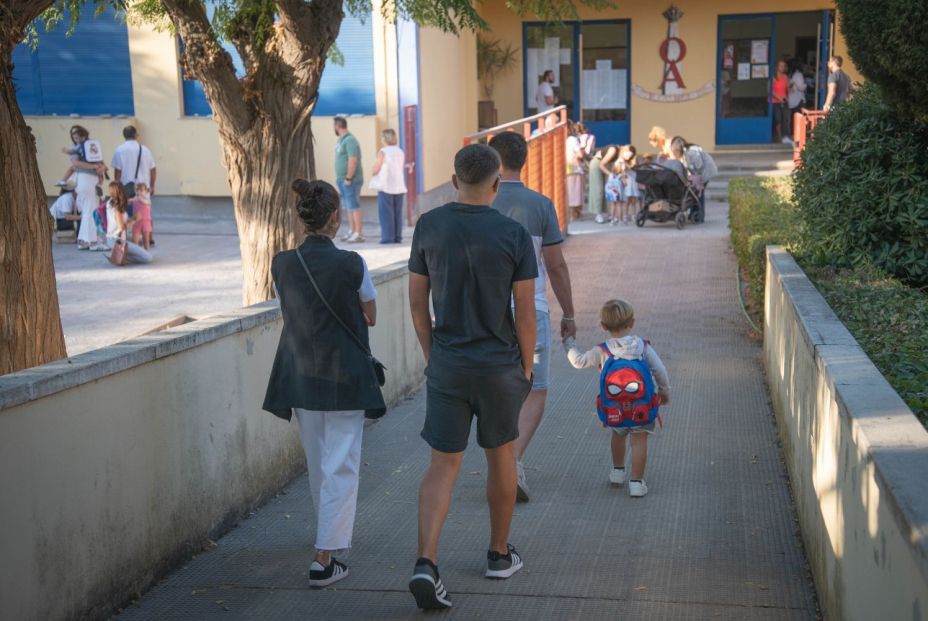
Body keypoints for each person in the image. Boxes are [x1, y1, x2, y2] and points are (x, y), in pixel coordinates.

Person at [407, 144, 537, 610]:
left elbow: (417, 304)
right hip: (500, 366)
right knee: (501, 456)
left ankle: (426, 562)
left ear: (454, 178)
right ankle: (499, 555)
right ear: (497, 183)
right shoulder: (514, 234)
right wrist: (525, 365)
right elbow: (525, 311)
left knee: (443, 464)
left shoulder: (429, 226)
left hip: (449, 363)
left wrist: (432, 354)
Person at [263, 178, 385, 588]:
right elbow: (370, 315)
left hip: (299, 375)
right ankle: (324, 558)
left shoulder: (281, 263)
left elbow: (293, 310)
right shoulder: (352, 263)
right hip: (345, 377)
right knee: (342, 463)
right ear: (335, 217)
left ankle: (324, 540)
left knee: (319, 463)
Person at [488, 131, 576, 502]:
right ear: (524, 160)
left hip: (486, 314)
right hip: (531, 310)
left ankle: (502, 464)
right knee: (535, 389)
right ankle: (514, 462)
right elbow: (554, 265)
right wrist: (569, 313)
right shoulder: (540, 205)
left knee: (494, 391)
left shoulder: (477, 203)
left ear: (491, 159)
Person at [564, 299, 670, 498]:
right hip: (642, 408)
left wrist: (568, 342)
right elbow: (660, 370)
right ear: (632, 322)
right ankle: (637, 483)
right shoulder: (643, 347)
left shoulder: (603, 351)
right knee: (639, 441)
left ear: (603, 326)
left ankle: (618, 472)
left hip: (615, 409)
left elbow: (578, 361)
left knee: (618, 434)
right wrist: (664, 391)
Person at [65, 126, 106, 250]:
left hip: (89, 181)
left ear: (84, 136)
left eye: (78, 137)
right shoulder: (75, 150)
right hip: (85, 179)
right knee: (91, 211)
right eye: (74, 137)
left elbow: (103, 164)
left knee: (88, 211)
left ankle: (84, 241)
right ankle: (93, 242)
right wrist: (95, 167)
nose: (77, 139)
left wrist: (101, 169)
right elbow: (76, 164)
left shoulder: (91, 147)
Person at [371, 128, 407, 244]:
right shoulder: (400, 151)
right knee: (397, 213)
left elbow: (376, 168)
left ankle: (387, 238)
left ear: (385, 138)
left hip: (386, 186)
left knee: (386, 213)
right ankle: (397, 237)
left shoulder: (383, 151)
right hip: (399, 186)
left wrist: (373, 171)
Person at [670, 136, 717, 223]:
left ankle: (699, 216)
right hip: (700, 173)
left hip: (706, 171)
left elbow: (699, 166)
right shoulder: (686, 152)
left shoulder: (691, 151)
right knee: (694, 193)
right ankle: (693, 214)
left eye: (675, 152)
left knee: (699, 193)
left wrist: (693, 175)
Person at [104, 181, 153, 265]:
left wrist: (132, 218)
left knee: (139, 240)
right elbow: (121, 227)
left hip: (111, 239)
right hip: (117, 240)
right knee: (148, 258)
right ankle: (121, 254)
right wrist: (135, 220)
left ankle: (121, 253)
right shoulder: (117, 208)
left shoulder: (110, 202)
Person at [334, 116, 365, 243]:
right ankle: (352, 231)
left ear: (337, 126)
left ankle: (358, 233)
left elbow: (353, 160)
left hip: (351, 180)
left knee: (353, 206)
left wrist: (348, 177)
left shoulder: (350, 140)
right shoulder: (341, 140)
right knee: (348, 207)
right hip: (342, 179)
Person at [111, 125, 157, 196]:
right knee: (143, 207)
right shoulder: (145, 150)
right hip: (143, 189)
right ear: (136, 135)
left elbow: (118, 172)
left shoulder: (119, 150)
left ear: (124, 136)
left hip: (126, 189)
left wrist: (117, 188)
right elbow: (153, 170)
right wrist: (152, 186)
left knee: (127, 207)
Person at [589, 144, 620, 223]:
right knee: (598, 189)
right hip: (597, 163)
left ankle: (610, 214)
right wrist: (611, 175)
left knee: (609, 189)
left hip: (606, 165)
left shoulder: (620, 155)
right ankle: (598, 214)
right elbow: (601, 165)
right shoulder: (613, 150)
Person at [565, 122, 585, 221]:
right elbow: (580, 154)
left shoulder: (561, 140)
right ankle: (575, 213)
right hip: (574, 167)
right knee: (576, 191)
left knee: (570, 191)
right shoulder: (572, 140)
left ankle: (572, 213)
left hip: (567, 168)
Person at [618, 145, 640, 225]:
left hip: (633, 182)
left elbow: (633, 167)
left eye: (629, 151)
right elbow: (622, 171)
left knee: (633, 200)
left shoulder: (634, 160)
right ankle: (625, 216)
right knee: (626, 201)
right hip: (627, 183)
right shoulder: (622, 161)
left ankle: (634, 216)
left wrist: (629, 163)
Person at [772, 60, 791, 144]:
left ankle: (785, 137)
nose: (782, 67)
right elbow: (770, 91)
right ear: (777, 67)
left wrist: (790, 88)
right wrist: (778, 98)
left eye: (783, 66)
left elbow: (787, 88)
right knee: (778, 119)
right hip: (775, 101)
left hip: (784, 101)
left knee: (785, 119)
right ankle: (778, 136)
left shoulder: (785, 77)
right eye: (780, 66)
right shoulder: (772, 77)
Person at [129, 183, 154, 249]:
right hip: (136, 222)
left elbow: (145, 202)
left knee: (146, 240)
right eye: (138, 190)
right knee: (135, 241)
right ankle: (135, 253)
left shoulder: (147, 200)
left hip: (146, 222)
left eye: (142, 190)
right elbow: (129, 201)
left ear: (146, 192)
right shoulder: (135, 199)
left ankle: (146, 251)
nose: (139, 192)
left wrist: (138, 198)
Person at [787, 59, 807, 131]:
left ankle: (793, 133)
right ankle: (797, 135)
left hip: (791, 100)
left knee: (792, 118)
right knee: (798, 119)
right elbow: (801, 87)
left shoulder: (789, 75)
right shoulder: (798, 75)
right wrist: (806, 85)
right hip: (798, 100)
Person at [605, 160, 625, 225]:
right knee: (619, 206)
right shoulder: (621, 176)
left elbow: (608, 183)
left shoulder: (610, 175)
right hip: (618, 193)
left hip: (611, 193)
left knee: (613, 206)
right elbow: (625, 183)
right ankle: (620, 220)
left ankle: (612, 220)